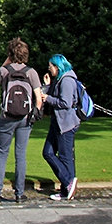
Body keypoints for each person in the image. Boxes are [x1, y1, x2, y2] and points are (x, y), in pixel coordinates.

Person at [0, 38, 42, 203]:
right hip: (25, 118)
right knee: (20, 155)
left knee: (2, 154)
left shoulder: (5, 71)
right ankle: (19, 193)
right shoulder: (31, 72)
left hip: (6, 117)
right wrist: (34, 115)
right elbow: (38, 99)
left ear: (10, 54)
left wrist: (6, 62)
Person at [42, 53, 80, 201]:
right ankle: (68, 186)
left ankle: (67, 186)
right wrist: (47, 85)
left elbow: (66, 103)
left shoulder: (67, 80)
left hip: (66, 123)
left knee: (65, 157)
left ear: (57, 67)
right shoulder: (59, 80)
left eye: (50, 66)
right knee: (48, 152)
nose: (49, 69)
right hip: (58, 122)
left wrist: (47, 98)